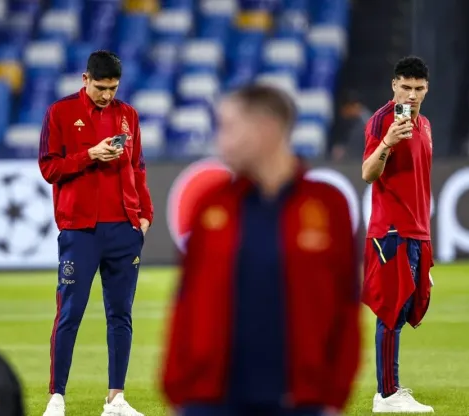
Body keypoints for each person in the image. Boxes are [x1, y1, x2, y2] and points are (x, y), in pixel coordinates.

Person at [161, 84, 362, 416]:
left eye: (228, 127)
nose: (219, 141)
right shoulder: (211, 206)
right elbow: (185, 303)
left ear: (266, 129)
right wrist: (177, 393)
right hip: (211, 401)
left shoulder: (328, 206)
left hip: (299, 401)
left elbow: (346, 307)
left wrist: (333, 398)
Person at [38, 50, 153, 416]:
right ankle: (57, 397)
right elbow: (49, 168)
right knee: (69, 312)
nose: (107, 95)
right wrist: (89, 155)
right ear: (85, 79)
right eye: (101, 87)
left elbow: (138, 168)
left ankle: (115, 399)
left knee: (121, 314)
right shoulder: (60, 113)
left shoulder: (128, 116)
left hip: (124, 229)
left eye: (113, 88)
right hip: (80, 231)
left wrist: (144, 216)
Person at [361, 56, 435, 413]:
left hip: (416, 231)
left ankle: (390, 389)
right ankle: (387, 394)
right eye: (406, 87)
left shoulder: (426, 126)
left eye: (419, 88)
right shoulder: (381, 121)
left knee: (405, 309)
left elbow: (420, 184)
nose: (412, 94)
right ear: (394, 85)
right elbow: (367, 173)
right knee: (391, 311)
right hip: (391, 230)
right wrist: (387, 143)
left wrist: (426, 236)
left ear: (427, 88)